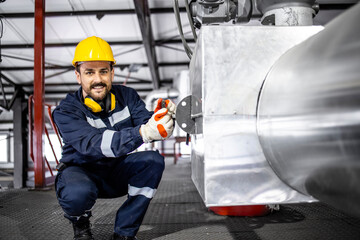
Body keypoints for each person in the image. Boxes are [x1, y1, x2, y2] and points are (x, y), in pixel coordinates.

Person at [53, 36, 176, 240]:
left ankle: (124, 232)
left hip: (116, 170)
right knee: (77, 193)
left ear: (112, 72)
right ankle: (80, 224)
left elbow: (146, 122)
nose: (98, 79)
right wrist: (143, 133)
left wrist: (162, 118)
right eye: (89, 72)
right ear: (78, 76)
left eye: (103, 71)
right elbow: (94, 144)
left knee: (153, 161)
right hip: (82, 173)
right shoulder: (66, 111)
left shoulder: (127, 96)